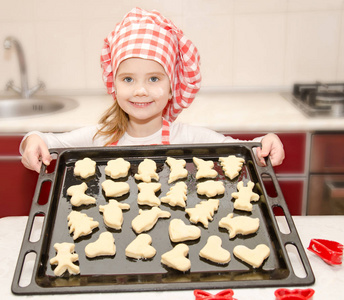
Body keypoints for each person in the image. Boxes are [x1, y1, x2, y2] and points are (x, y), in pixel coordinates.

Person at [20, 7, 284, 173]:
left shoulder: (188, 138)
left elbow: (242, 149)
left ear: (173, 87)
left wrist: (266, 142)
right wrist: (32, 141)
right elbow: (46, 140)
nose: (141, 91)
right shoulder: (99, 137)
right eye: (128, 79)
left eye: (154, 79)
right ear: (113, 84)